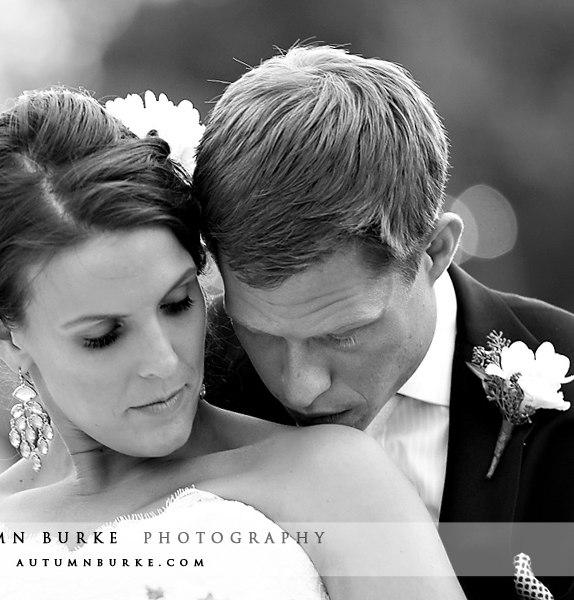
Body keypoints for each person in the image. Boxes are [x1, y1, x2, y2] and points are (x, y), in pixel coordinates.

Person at [0, 87, 464, 600]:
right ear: (3, 334)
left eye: (177, 305)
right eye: (104, 335)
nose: (165, 363)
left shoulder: (335, 479)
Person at [194, 44, 574, 600]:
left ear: (436, 250)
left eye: (341, 333)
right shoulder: (186, 386)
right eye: (261, 332)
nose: (300, 387)